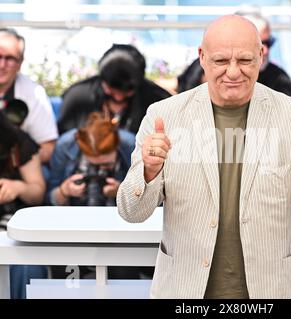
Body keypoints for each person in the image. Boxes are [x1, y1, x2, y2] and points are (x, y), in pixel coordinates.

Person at [117, 15, 291, 299]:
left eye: (245, 61)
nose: (234, 72)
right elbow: (131, 212)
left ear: (262, 56)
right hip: (183, 292)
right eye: (221, 61)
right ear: (201, 57)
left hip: (274, 292)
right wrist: (148, 172)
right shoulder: (164, 116)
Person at [47, 112, 146, 280]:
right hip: (73, 227)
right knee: (64, 272)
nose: (99, 171)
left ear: (116, 147)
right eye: (92, 165)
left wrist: (122, 192)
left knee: (123, 274)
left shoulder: (131, 145)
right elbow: (46, 198)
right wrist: (64, 191)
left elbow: (153, 198)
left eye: (106, 165)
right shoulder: (66, 145)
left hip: (120, 229)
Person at [57, 44, 171, 135]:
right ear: (103, 80)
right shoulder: (78, 96)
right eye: (112, 90)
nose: (118, 97)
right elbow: (64, 143)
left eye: (127, 91)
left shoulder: (159, 100)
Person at [0, 111, 47, 299]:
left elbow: (37, 192)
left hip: (11, 219)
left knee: (27, 263)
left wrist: (18, 187)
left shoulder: (18, 142)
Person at [0, 28, 58, 164]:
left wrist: (13, 162)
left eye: (10, 58)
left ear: (20, 63)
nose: (2, 65)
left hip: (17, 168)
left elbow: (48, 147)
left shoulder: (34, 94)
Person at [236, 9, 291, 97]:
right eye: (258, 44)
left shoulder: (279, 79)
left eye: (269, 42)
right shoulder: (213, 76)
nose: (266, 51)